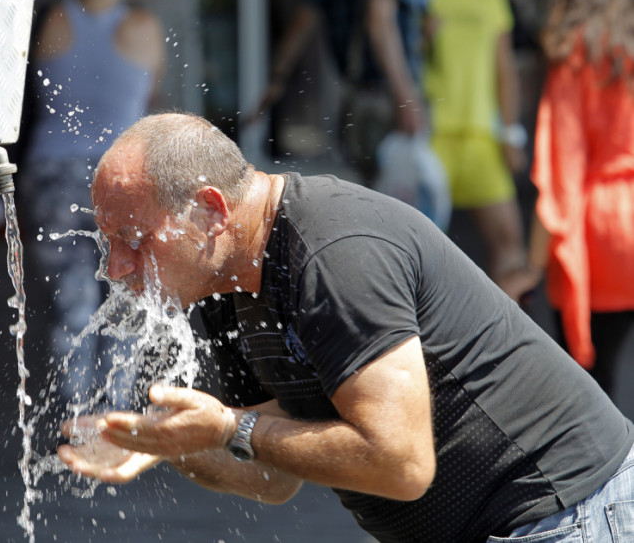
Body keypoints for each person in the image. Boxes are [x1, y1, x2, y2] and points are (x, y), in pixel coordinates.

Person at [57, 112, 634, 542]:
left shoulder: (333, 253)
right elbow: (273, 479)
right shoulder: (219, 289)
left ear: (210, 212)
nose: (116, 269)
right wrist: (172, 443)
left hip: (566, 509)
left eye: (133, 239)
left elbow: (400, 463)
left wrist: (229, 427)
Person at [19, 0, 164, 406]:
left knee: (72, 300)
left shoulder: (51, 21)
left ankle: (75, 417)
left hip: (52, 175)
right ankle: (115, 417)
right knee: (127, 295)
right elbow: (149, 98)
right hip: (123, 175)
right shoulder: (145, 27)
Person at [500, 0, 634, 398]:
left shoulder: (578, 50)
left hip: (601, 235)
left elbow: (562, 176)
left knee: (595, 388)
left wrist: (531, 270)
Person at [247, 0, 428, 182]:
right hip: (388, 100)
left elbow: (301, 24)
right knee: (402, 190)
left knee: (370, 186)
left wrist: (277, 79)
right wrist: (405, 98)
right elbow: (379, 20)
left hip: (356, 98)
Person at [423, 0, 528, 283]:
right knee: (416, 248)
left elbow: (504, 69)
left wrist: (510, 133)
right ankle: (419, 332)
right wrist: (419, 38)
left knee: (510, 243)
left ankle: (502, 332)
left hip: (481, 137)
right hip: (428, 138)